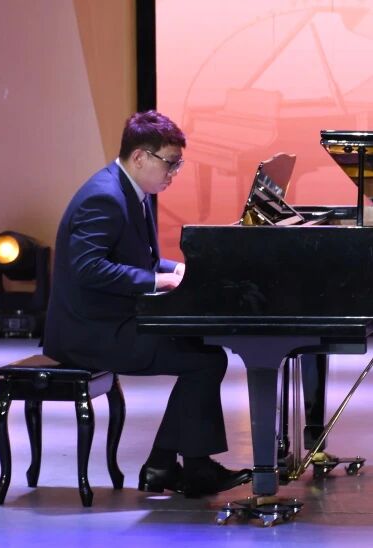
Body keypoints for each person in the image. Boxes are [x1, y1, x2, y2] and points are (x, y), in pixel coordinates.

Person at [43, 110, 251, 498]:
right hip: (90, 331)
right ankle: (183, 468)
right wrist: (158, 280)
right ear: (140, 157)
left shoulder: (131, 192)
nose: (174, 173)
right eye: (170, 163)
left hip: (111, 320)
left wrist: (180, 269)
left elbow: (143, 260)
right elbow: (88, 268)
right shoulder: (105, 198)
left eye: (178, 164)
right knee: (205, 361)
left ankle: (168, 466)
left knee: (203, 353)